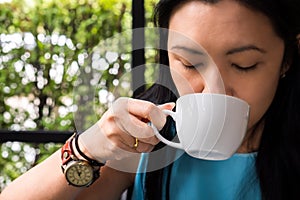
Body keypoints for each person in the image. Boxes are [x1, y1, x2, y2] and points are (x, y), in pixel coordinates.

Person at [2, 0, 300, 199]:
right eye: (188, 63)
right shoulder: (147, 140)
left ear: (287, 58)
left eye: (244, 64)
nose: (213, 91)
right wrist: (87, 148)